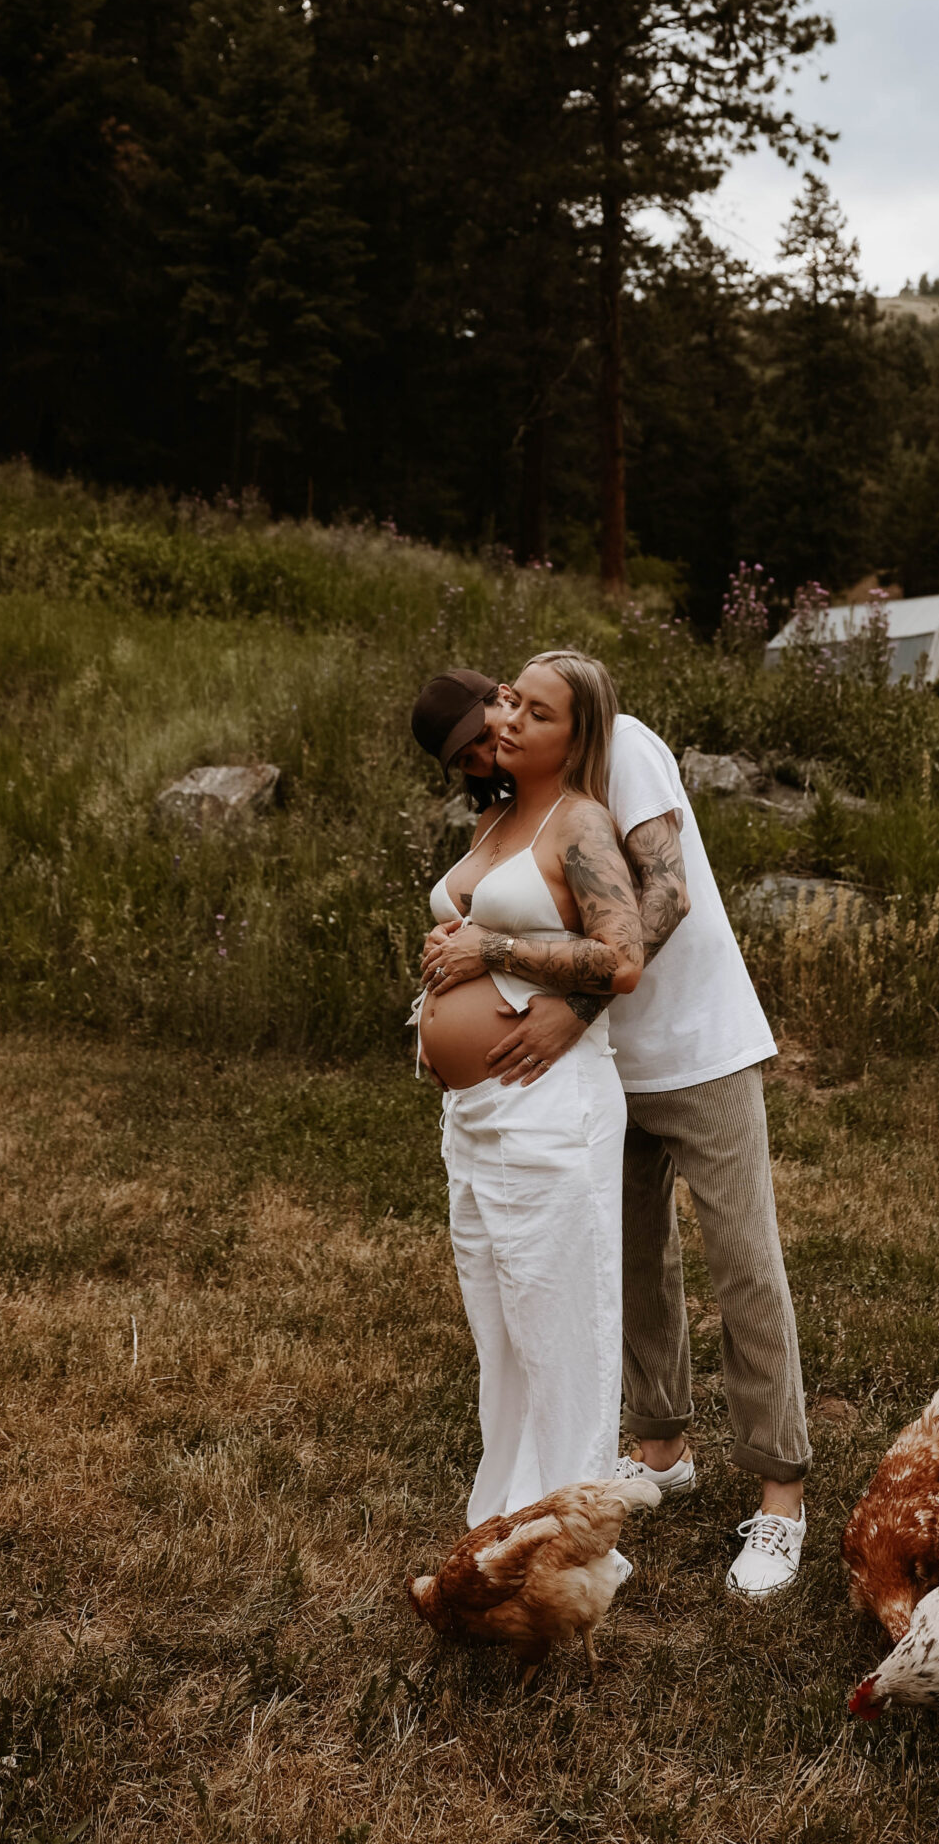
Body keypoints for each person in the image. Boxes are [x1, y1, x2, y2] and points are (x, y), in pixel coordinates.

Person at [412, 659, 812, 1598]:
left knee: (742, 1259)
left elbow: (660, 897)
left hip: (692, 1045)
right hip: (592, 1077)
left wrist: (570, 1011)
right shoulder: (520, 794)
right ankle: (661, 1447)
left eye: (492, 729)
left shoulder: (621, 746)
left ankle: (780, 1495)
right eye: (468, 756)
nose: (487, 755)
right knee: (631, 1261)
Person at [417, 653, 644, 1530]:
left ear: (575, 738)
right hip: (474, 1114)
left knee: (561, 1328)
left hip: (551, 1104)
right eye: (509, 700)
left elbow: (621, 958)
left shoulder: (579, 823)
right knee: (501, 1330)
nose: (506, 721)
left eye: (535, 715)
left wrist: (493, 954)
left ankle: (569, 1531)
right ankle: (505, 1519)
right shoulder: (501, 818)